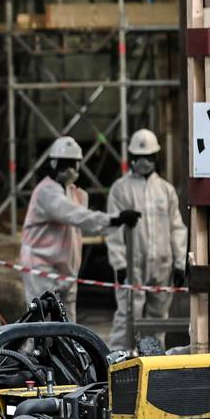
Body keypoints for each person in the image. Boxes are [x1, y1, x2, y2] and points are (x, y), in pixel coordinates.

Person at [20, 136, 140, 322]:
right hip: (41, 267)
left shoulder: (74, 193)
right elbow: (77, 216)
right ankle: (30, 351)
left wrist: (112, 225)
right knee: (40, 325)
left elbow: (85, 224)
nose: (69, 169)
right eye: (65, 164)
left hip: (66, 269)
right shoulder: (46, 192)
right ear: (53, 164)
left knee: (68, 324)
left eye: (72, 163)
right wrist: (114, 219)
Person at [106, 129, 187, 350]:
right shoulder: (120, 190)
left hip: (162, 265)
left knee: (158, 319)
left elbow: (177, 228)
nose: (144, 162)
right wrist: (120, 264)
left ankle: (154, 365)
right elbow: (113, 232)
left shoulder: (166, 190)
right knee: (127, 317)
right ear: (132, 157)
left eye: (149, 157)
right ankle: (116, 362)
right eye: (139, 157)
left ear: (156, 157)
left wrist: (180, 265)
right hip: (133, 267)